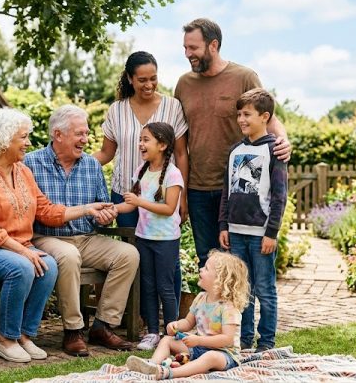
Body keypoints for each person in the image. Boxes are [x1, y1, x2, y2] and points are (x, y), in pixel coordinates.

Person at [0, 108, 113, 363]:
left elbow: (45, 209)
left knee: (48, 264)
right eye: (22, 138)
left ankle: (25, 335)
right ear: (4, 141)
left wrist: (86, 209)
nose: (27, 143)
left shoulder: (22, 171)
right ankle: (5, 339)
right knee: (24, 266)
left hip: (8, 248)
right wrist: (24, 251)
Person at [175, 18, 291, 268]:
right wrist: (181, 192)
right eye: (185, 48)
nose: (188, 54)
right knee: (207, 260)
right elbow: (180, 142)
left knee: (238, 262)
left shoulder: (244, 76)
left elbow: (271, 118)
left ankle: (238, 309)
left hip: (239, 187)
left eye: (193, 48)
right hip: (198, 187)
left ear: (213, 45)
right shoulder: (184, 84)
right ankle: (215, 310)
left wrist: (284, 141)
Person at [25, 105, 140, 357]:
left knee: (128, 254)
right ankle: (73, 330)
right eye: (79, 134)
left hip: (86, 238)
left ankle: (102, 325)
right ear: (58, 134)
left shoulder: (91, 166)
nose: (85, 140)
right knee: (68, 255)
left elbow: (102, 212)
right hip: (45, 237)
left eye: (86, 133)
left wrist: (106, 215)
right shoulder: (30, 162)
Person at [93, 51, 188, 327]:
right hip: (127, 195)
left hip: (163, 195)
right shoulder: (117, 110)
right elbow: (106, 153)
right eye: (142, 80)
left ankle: (173, 323)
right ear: (130, 79)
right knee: (136, 262)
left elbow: (181, 153)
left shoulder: (172, 107)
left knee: (169, 264)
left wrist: (185, 197)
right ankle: (140, 321)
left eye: (154, 79)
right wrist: (78, 160)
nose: (149, 85)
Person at [219, 88, 288, 352]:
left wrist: (272, 233)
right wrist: (223, 225)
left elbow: (280, 197)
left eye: (247, 114)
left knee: (264, 289)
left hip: (261, 234)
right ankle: (244, 338)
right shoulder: (235, 151)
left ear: (265, 116)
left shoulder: (275, 151)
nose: (241, 119)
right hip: (235, 233)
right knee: (241, 290)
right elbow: (227, 191)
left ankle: (266, 341)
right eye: (239, 114)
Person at [125, 251, 250, 380]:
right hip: (199, 348)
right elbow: (189, 322)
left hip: (224, 355)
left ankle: (168, 373)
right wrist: (176, 325)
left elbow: (227, 339)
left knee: (210, 357)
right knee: (167, 340)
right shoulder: (201, 298)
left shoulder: (228, 307)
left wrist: (199, 340)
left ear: (220, 279)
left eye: (206, 268)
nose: (201, 269)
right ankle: (151, 365)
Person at [113, 122, 184, 351]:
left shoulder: (173, 174)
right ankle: (152, 332)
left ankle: (172, 334)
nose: (141, 144)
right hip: (144, 237)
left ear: (162, 145)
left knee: (165, 287)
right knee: (148, 286)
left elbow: (169, 208)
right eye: (140, 139)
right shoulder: (140, 171)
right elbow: (130, 205)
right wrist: (111, 210)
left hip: (166, 240)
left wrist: (140, 202)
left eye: (146, 140)